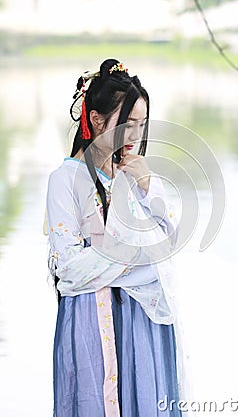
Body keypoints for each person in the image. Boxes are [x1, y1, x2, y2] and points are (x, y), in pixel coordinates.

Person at [45, 58, 184, 417]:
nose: (135, 137)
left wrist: (148, 184)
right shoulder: (65, 180)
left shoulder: (133, 176)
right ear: (96, 120)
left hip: (142, 319)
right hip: (93, 317)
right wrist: (140, 257)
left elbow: (170, 241)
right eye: (127, 125)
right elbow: (70, 268)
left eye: (141, 125)